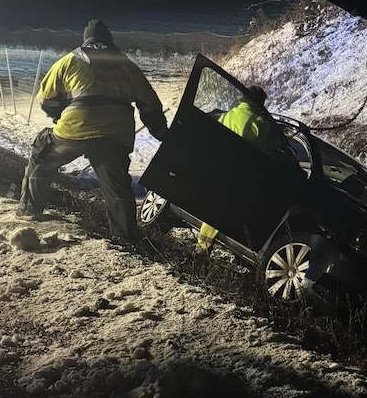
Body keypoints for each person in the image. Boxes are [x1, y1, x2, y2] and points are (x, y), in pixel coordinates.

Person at [16, 19, 168, 246]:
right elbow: (150, 104)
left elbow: (45, 98)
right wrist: (160, 132)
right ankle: (125, 236)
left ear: (86, 39)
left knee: (42, 153)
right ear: (109, 41)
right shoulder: (127, 65)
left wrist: (59, 115)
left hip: (74, 129)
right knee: (116, 183)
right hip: (115, 135)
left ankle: (30, 209)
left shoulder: (69, 61)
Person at [196, 85, 287, 253]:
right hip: (237, 172)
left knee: (216, 209)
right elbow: (267, 150)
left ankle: (203, 248)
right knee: (224, 210)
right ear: (260, 102)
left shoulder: (229, 114)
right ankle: (205, 249)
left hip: (219, 165)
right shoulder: (259, 121)